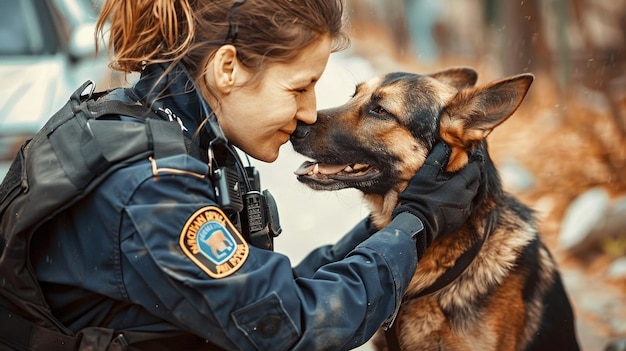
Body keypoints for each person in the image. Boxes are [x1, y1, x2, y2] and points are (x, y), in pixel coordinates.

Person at [25, 0, 482, 350]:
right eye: (299, 88)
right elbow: (285, 327)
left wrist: (385, 224)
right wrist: (414, 225)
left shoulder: (170, 130)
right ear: (228, 69)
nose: (308, 114)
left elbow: (264, 294)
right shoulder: (151, 189)